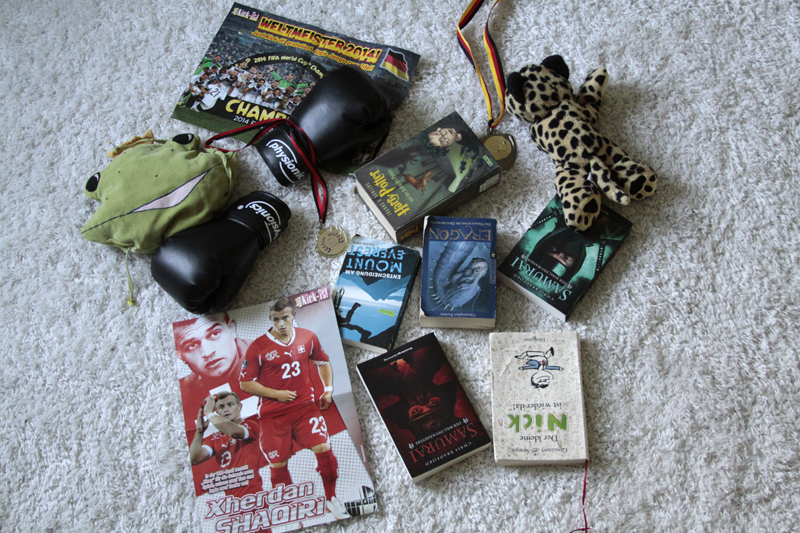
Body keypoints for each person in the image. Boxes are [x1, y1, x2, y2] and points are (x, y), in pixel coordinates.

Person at [239, 297, 350, 520]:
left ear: (292, 316)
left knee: (324, 447)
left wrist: (328, 390)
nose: (281, 323)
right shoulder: (258, 347)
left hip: (305, 408)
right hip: (272, 414)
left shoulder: (307, 336)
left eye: (285, 318)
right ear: (270, 319)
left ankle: (331, 499)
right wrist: (276, 394)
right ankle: (291, 509)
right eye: (275, 319)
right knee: (278, 463)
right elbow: (245, 383)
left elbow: (322, 362)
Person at [174, 313, 251, 431]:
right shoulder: (184, 392)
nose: (207, 352)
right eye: (191, 345)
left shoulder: (271, 357)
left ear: (232, 329)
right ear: (180, 356)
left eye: (215, 334)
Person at [189, 392, 265, 498]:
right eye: (221, 407)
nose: (226, 409)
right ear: (217, 412)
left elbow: (234, 432)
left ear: (239, 407)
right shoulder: (214, 438)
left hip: (253, 496)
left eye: (230, 404)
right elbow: (195, 459)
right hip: (230, 500)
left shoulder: (250, 425)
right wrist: (199, 432)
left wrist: (209, 414)